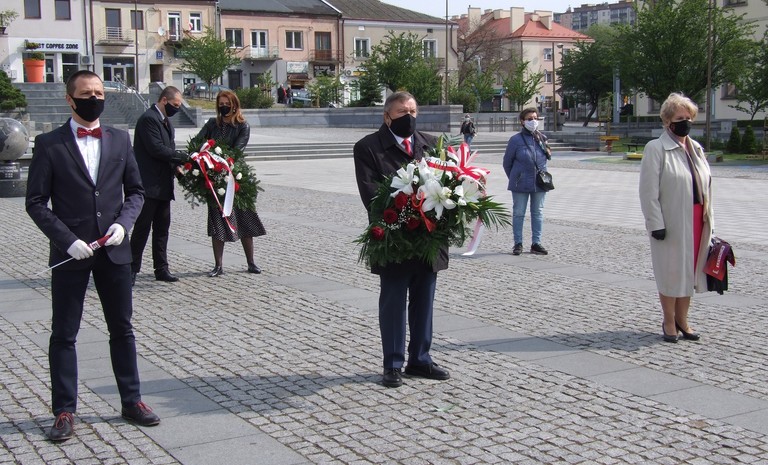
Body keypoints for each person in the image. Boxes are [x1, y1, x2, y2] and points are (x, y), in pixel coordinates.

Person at [25, 70, 160, 442]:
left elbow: (136, 191)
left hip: (114, 251)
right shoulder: (49, 144)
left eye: (99, 93)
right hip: (71, 253)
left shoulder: (120, 139)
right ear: (70, 99)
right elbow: (35, 202)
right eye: (87, 94)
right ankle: (64, 410)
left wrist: (124, 225)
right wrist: (66, 240)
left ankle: (131, 400)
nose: (95, 99)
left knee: (122, 328)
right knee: (64, 333)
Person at [353, 91, 451, 388]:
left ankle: (420, 359)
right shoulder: (368, 147)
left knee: (424, 301)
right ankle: (393, 363)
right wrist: (410, 209)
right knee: (394, 302)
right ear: (387, 116)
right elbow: (371, 195)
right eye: (401, 112)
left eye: (412, 111)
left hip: (429, 237)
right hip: (394, 237)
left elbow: (448, 182)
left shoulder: (432, 144)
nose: (408, 117)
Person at [639, 92, 713, 343]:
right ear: (668, 121)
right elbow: (648, 191)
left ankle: (683, 319)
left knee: (689, 272)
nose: (686, 122)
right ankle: (669, 320)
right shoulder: (656, 148)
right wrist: (655, 223)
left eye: (689, 118)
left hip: (697, 219)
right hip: (671, 220)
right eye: (680, 118)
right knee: (670, 272)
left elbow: (705, 184)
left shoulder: (696, 148)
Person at [195, 90, 266, 277]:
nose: (224, 107)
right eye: (221, 104)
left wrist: (224, 162)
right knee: (217, 221)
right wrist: (204, 158)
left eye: (227, 104)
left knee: (244, 218)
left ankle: (251, 262)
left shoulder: (243, 126)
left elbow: (237, 150)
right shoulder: (212, 124)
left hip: (236, 176)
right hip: (214, 177)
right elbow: (197, 142)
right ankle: (218, 265)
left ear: (234, 105)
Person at [129, 87, 188, 284]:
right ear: (164, 100)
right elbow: (156, 149)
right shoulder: (149, 119)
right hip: (148, 185)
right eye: (175, 105)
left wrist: (177, 170)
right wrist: (183, 157)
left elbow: (169, 149)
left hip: (163, 185)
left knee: (162, 230)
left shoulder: (166, 122)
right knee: (142, 229)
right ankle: (131, 269)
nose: (177, 109)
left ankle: (161, 269)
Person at [502, 107, 551, 256]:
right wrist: (515, 177)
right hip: (520, 182)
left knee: (538, 213)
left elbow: (545, 159)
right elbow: (507, 163)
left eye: (535, 118)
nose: (533, 121)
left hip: (539, 182)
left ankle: (536, 243)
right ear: (522, 121)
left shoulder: (541, 138)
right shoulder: (515, 140)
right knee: (518, 213)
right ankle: (518, 243)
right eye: (530, 119)